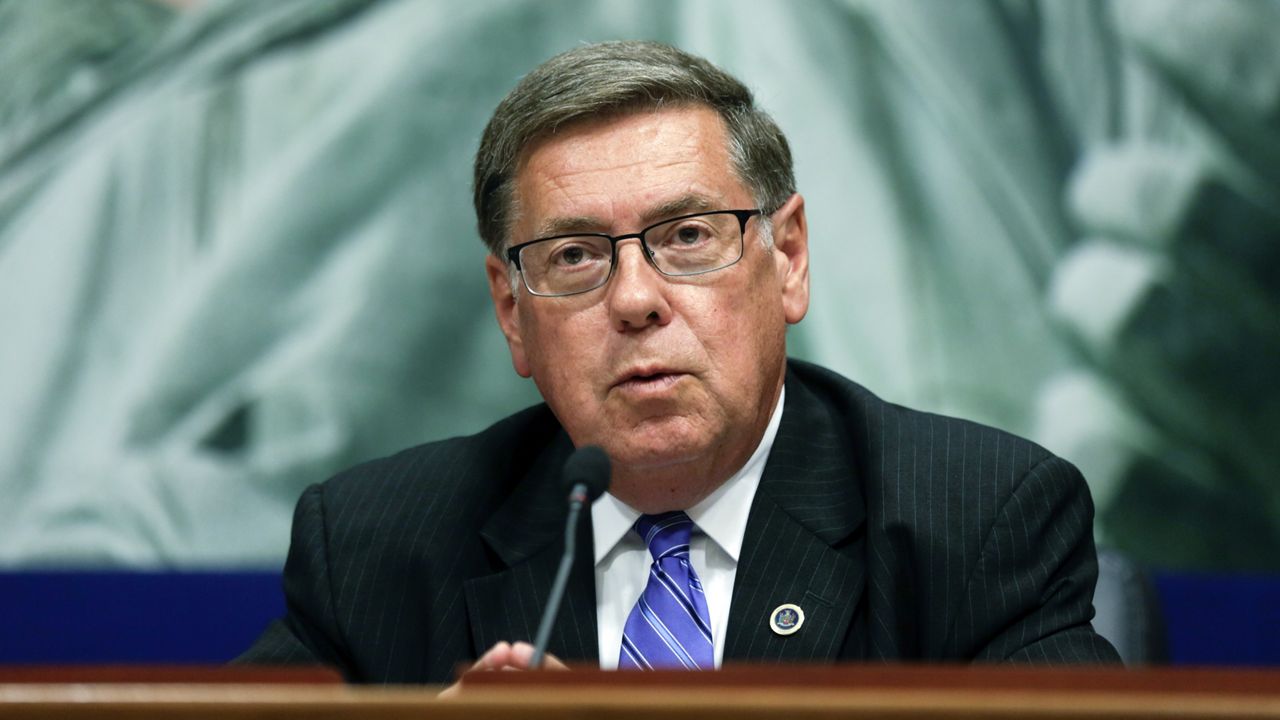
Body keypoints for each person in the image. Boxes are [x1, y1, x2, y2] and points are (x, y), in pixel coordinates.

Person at [238, 40, 1119, 683]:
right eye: (575, 256)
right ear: (514, 312)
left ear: (790, 258)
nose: (633, 299)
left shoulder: (976, 522)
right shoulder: (377, 547)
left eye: (689, 236)